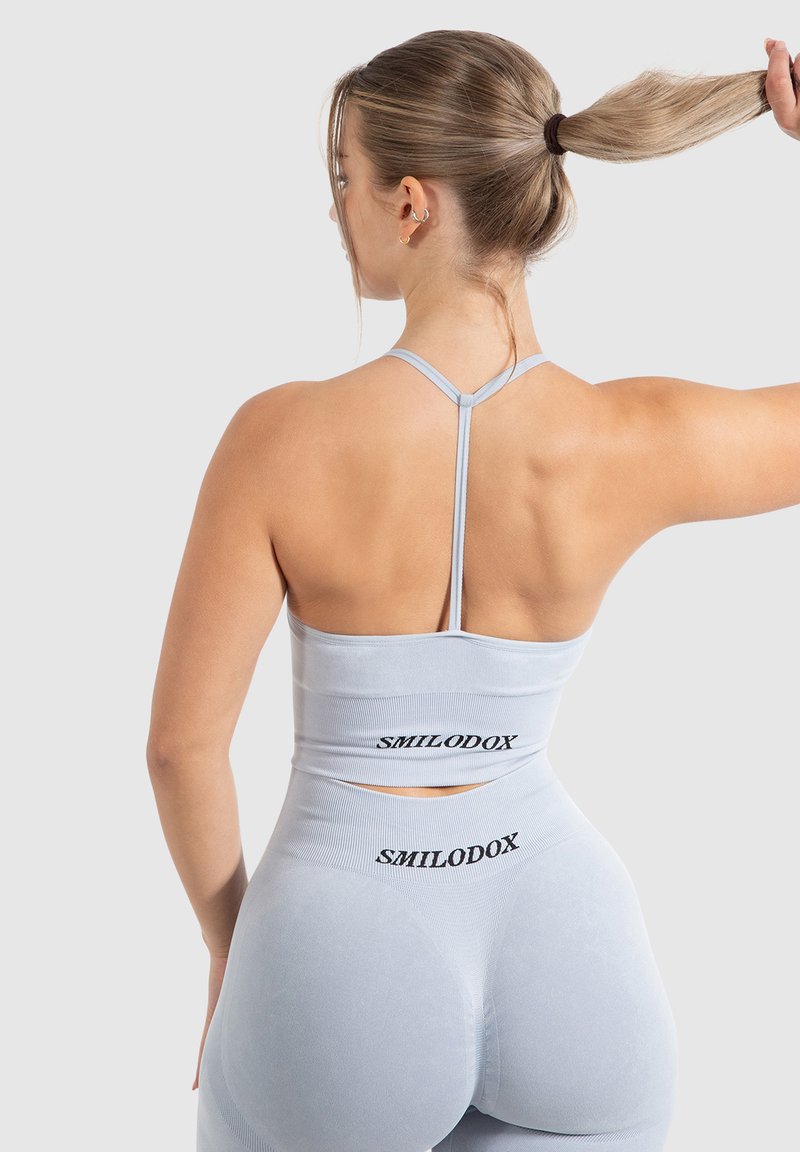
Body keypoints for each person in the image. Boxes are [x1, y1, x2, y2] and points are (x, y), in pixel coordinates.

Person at [146, 29, 800, 1152]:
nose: (335, 209)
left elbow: (179, 750)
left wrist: (234, 952)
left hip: (334, 943)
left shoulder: (280, 440)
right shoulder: (627, 437)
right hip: (565, 935)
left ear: (409, 205)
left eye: (343, 179)